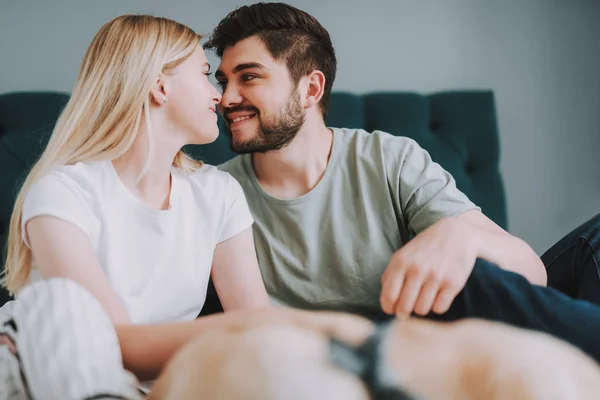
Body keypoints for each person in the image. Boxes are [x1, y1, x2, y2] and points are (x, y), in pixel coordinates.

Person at [202, 2, 600, 361]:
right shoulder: (215, 192)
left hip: (419, 340)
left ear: (311, 88)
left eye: (248, 77)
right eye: (223, 82)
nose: (225, 98)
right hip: (316, 359)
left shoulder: (389, 158)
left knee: (480, 271)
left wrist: (462, 238)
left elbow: (531, 273)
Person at [0, 14, 369, 399]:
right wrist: (307, 328)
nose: (220, 97)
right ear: (160, 86)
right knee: (58, 305)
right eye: (207, 74)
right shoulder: (63, 191)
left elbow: (256, 324)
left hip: (162, 388)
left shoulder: (218, 193)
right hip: (53, 370)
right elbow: (114, 345)